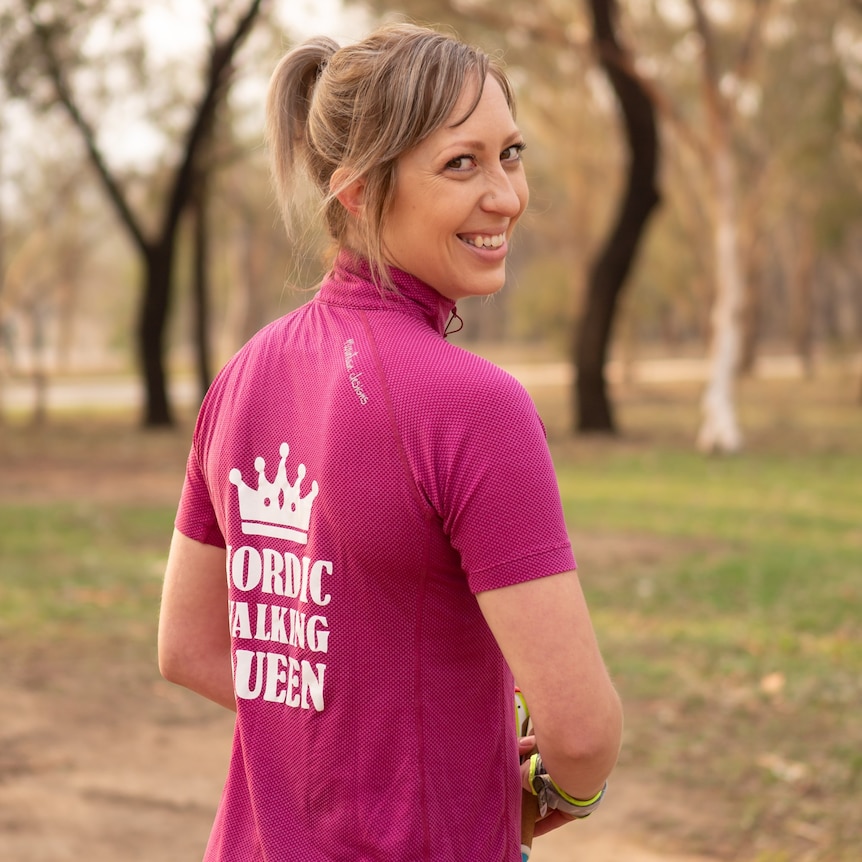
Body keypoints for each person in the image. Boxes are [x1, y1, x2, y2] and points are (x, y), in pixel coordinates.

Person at [158, 21, 622, 862]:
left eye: (510, 154)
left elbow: (189, 647)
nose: (507, 196)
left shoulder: (240, 378)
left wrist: (345, 726)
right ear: (360, 193)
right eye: (460, 164)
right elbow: (582, 730)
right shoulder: (476, 407)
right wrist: (561, 793)